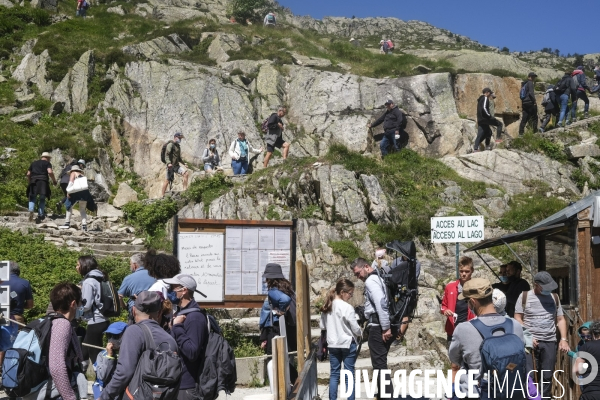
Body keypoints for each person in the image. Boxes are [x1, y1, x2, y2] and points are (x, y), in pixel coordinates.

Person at [449, 278, 525, 399]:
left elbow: (454, 359)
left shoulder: (463, 329)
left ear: (473, 302)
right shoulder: (515, 325)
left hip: (477, 393)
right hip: (510, 392)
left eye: (467, 301)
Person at [99, 291, 179, 400]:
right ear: (159, 313)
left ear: (133, 311)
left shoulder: (134, 331)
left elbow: (124, 372)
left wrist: (105, 396)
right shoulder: (170, 339)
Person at [24, 283, 87, 400]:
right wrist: (70, 397)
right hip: (53, 393)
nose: (80, 307)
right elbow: (56, 366)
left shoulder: (46, 321)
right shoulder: (62, 324)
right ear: (73, 304)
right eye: (80, 303)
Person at [514, 271, 570, 398]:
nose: (548, 290)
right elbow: (517, 318)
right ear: (536, 285)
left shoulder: (554, 298)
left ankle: (544, 397)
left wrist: (564, 339)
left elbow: (560, 319)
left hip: (549, 341)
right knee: (530, 375)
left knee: (547, 375)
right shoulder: (524, 296)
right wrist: (528, 336)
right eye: (546, 287)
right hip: (530, 343)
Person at [351, 258, 397, 399]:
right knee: (379, 364)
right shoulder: (378, 278)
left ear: (366, 266)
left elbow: (381, 303)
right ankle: (383, 394)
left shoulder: (371, 281)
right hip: (379, 325)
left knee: (379, 365)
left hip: (378, 327)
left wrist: (385, 328)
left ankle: (387, 395)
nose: (358, 277)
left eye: (358, 273)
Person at [164, 274, 208, 400]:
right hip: (178, 381)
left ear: (183, 291)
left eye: (172, 288)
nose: (169, 291)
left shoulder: (195, 318)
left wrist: (177, 327)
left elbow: (192, 352)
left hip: (187, 385)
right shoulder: (180, 313)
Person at [320, 279, 362, 400]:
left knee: (334, 374)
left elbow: (323, 326)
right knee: (349, 374)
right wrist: (360, 331)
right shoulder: (347, 307)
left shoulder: (327, 306)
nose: (351, 296)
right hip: (348, 344)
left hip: (333, 344)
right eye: (350, 293)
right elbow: (355, 328)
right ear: (343, 292)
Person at [259, 263, 298, 382]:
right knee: (286, 357)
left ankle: (281, 384)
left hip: (276, 329)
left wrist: (280, 310)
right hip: (288, 327)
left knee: (274, 359)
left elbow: (284, 301)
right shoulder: (287, 289)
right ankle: (289, 383)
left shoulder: (273, 291)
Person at [76, 255, 110, 371]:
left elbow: (86, 305)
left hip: (96, 321)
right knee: (84, 350)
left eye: (78, 265)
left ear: (84, 266)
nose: (76, 267)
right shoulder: (100, 277)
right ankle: (81, 374)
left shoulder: (88, 281)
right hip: (103, 319)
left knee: (95, 354)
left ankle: (103, 379)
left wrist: (76, 311)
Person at [441, 256, 476, 344]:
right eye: (461, 271)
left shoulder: (477, 287)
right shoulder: (450, 287)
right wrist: (445, 311)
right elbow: (443, 306)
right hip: (452, 331)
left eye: (467, 271)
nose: (464, 274)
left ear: (472, 270)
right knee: (452, 357)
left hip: (471, 330)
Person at [92, 321, 127, 398]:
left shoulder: (128, 355)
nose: (111, 340)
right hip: (105, 394)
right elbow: (102, 376)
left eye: (115, 336)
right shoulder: (102, 355)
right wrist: (109, 357)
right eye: (109, 335)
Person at [59, 165, 94, 231]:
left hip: (76, 192)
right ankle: (84, 226)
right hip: (85, 192)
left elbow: (71, 182)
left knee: (68, 206)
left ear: (72, 170)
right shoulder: (83, 176)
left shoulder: (73, 173)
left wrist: (68, 191)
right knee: (82, 209)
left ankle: (67, 223)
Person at [26, 151, 57, 223]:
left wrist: (30, 181)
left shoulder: (33, 163)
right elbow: (50, 172)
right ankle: (40, 214)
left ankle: (31, 210)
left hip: (33, 181)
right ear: (48, 158)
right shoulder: (47, 163)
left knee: (32, 197)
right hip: (43, 181)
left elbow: (28, 174)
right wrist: (54, 181)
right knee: (42, 198)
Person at [575, 320, 600, 400]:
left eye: (588, 336)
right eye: (583, 336)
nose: (586, 338)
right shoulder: (581, 345)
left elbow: (578, 369)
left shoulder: (587, 347)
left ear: (593, 334)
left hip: (592, 390)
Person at [161, 132, 190, 197]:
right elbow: (167, 155)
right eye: (179, 138)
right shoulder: (170, 145)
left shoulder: (178, 146)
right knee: (167, 181)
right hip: (170, 166)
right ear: (175, 137)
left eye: (181, 138)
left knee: (186, 174)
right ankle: (162, 195)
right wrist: (168, 163)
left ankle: (184, 190)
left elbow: (179, 158)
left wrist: (184, 163)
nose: (180, 140)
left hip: (176, 166)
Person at [472, 88, 496, 152]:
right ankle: (476, 148)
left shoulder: (481, 99)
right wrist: (489, 115)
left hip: (481, 119)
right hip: (484, 119)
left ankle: (486, 146)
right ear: (487, 92)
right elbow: (484, 108)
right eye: (490, 93)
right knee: (480, 133)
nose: (490, 94)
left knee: (489, 132)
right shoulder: (485, 98)